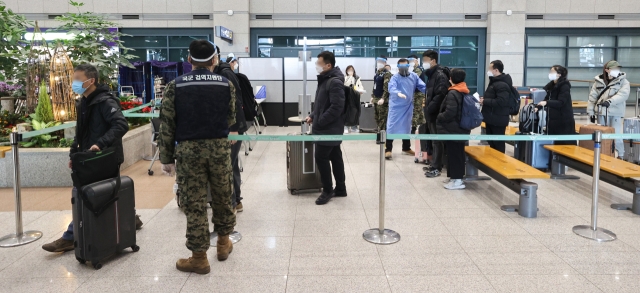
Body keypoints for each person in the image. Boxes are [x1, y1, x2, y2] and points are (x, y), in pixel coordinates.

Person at [158, 40, 237, 273]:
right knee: (223, 196)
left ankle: (199, 257)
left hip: (189, 152)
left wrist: (166, 158)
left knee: (195, 203)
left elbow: (167, 125)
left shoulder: (176, 85)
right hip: (220, 150)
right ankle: (223, 243)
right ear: (215, 60)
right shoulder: (225, 84)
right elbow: (231, 118)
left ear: (189, 60)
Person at [41, 64, 137, 253]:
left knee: (83, 193)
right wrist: (74, 154)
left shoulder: (105, 102)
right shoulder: (83, 102)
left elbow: (120, 125)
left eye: (77, 79)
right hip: (89, 157)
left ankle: (69, 237)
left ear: (91, 81)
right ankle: (132, 218)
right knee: (108, 192)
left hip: (104, 156)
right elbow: (80, 133)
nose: (74, 83)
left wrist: (100, 144)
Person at [305, 51, 347, 205]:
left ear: (328, 65)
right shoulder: (325, 79)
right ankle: (341, 188)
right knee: (335, 157)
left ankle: (327, 190)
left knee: (321, 158)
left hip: (328, 129)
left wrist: (321, 121)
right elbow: (322, 104)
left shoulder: (334, 82)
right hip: (329, 128)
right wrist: (313, 115)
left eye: (319, 63)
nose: (317, 66)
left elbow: (337, 107)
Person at [217, 48, 248, 213]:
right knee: (232, 163)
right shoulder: (223, 73)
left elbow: (234, 102)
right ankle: (236, 200)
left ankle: (233, 202)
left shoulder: (226, 74)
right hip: (229, 127)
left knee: (228, 164)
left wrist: (234, 129)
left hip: (231, 128)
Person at [588, 60, 630, 158]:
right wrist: (590, 112)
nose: (617, 70)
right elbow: (592, 97)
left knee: (616, 135)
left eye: (618, 68)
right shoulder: (598, 81)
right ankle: (603, 154)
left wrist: (610, 101)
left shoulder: (623, 81)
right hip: (600, 112)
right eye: (614, 69)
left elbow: (623, 95)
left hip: (615, 112)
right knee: (601, 135)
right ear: (607, 70)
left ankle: (620, 155)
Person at [437, 68, 471, 190]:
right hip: (460, 127)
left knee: (455, 154)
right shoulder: (463, 90)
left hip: (454, 128)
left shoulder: (453, 93)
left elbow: (450, 112)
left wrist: (440, 116)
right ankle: (453, 177)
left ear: (451, 79)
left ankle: (457, 180)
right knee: (455, 153)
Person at [385, 58, 426, 159]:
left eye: (405, 66)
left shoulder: (414, 76)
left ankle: (406, 148)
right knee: (391, 127)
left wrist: (430, 92)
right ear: (398, 67)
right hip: (396, 106)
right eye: (401, 67)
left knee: (407, 127)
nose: (403, 69)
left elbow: (422, 86)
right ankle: (388, 149)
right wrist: (398, 93)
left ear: (409, 66)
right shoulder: (395, 77)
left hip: (407, 106)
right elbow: (391, 87)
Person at [423, 50, 450, 178]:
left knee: (437, 141)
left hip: (436, 113)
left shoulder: (440, 75)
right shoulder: (431, 75)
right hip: (431, 112)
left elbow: (440, 94)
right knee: (434, 140)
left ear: (433, 61)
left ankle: (437, 167)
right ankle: (434, 163)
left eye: (425, 60)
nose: (424, 63)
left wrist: (430, 108)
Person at [536, 65, 576, 145]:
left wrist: (547, 103)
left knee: (563, 144)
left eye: (552, 72)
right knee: (553, 143)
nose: (550, 74)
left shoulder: (564, 86)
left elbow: (561, 102)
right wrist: (537, 107)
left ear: (559, 74)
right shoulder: (552, 86)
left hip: (563, 121)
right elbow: (546, 99)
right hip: (553, 120)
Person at [481, 60, 513, 153]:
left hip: (498, 119)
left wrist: (485, 101)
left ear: (496, 70)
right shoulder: (494, 82)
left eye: (490, 69)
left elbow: (502, 101)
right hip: (491, 117)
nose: (488, 71)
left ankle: (500, 163)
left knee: (498, 144)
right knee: (492, 142)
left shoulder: (502, 84)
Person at [408, 54, 426, 158]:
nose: (410, 62)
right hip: (414, 93)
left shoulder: (418, 70)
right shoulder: (413, 70)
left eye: (412, 60)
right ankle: (422, 125)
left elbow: (413, 80)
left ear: (416, 61)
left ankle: (413, 128)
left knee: (416, 110)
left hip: (418, 94)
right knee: (418, 112)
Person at [371, 56, 392, 134]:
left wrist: (383, 98)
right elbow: (375, 85)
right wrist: (372, 96)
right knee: (377, 117)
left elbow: (387, 88)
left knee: (382, 118)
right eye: (378, 61)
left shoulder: (387, 73)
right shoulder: (377, 73)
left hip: (382, 99)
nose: (379, 63)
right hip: (376, 98)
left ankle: (383, 136)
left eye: (381, 62)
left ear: (385, 63)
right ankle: (379, 133)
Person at [344, 65, 364, 133]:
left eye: (352, 70)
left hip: (355, 98)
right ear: (346, 71)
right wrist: (349, 77)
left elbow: (360, 86)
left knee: (355, 112)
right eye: (349, 70)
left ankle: (354, 127)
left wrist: (361, 90)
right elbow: (345, 85)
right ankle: (346, 126)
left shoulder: (357, 78)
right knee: (347, 112)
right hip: (347, 98)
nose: (350, 71)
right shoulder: (345, 78)